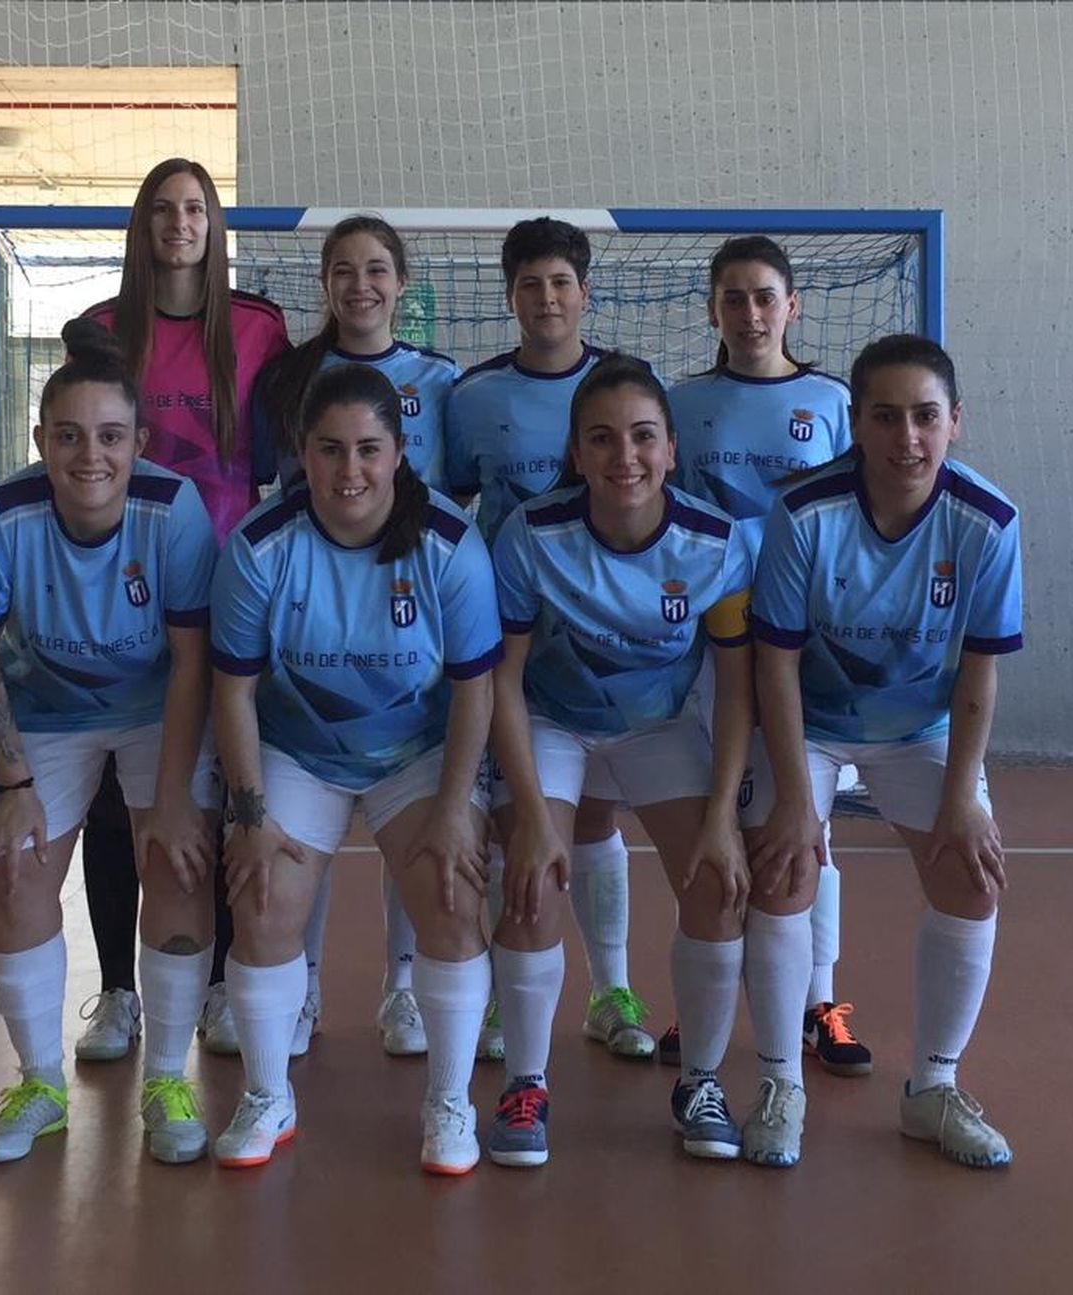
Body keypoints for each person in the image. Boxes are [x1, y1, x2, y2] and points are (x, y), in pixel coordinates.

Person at [209, 363, 502, 1175]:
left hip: (415, 751)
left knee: (452, 887)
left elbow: (476, 687)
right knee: (261, 893)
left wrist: (452, 810)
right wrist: (251, 815)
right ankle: (269, 1094)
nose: (350, 471)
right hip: (298, 750)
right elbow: (231, 691)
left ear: (400, 452)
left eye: (369, 449)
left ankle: (449, 1101)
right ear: (301, 453)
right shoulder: (261, 546)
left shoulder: (448, 544)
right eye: (330, 449)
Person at [0, 319, 222, 1164]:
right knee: (14, 864)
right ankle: (39, 1083)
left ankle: (167, 1078)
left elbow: (191, 662)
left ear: (139, 441)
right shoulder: (4, 517)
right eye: (68, 436)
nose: (89, 455)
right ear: (41, 440)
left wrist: (172, 801)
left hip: (157, 706)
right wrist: (13, 782)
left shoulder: (174, 512)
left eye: (110, 436)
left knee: (178, 862)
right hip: (48, 716)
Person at [747, 333, 1022, 1168]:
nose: (908, 437)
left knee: (971, 878)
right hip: (811, 723)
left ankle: (932, 1087)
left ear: (955, 424)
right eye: (887, 416)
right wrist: (798, 797)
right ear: (856, 426)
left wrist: (963, 796)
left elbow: (978, 675)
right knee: (784, 869)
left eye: (926, 417)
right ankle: (779, 1082)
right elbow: (776, 666)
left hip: (921, 729)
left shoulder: (989, 521)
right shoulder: (801, 514)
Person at [485, 354, 756, 1167]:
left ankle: (701, 1080)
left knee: (716, 884)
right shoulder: (529, 535)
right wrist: (531, 817)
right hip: (551, 721)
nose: (624, 457)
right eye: (601, 439)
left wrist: (720, 818)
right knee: (530, 884)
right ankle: (525, 1083)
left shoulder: (716, 543)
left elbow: (737, 685)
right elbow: (500, 677)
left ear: (673, 448)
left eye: (643, 437)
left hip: (659, 727)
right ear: (575, 453)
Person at [74, 158, 290, 1065]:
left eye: (194, 207)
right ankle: (119, 992)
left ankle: (221, 988)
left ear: (213, 225)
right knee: (116, 802)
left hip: (228, 591)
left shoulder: (257, 328)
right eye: (162, 208)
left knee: (228, 792)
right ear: (142, 223)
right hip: (122, 596)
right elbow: (81, 453)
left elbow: (273, 470)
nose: (179, 222)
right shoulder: (98, 329)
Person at [253, 216, 464, 1058]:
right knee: (308, 812)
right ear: (325, 284)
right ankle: (298, 991)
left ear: (401, 283)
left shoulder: (441, 379)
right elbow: (277, 490)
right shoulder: (293, 376)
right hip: (314, 604)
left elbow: (460, 492)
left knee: (406, 808)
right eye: (343, 270)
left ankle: (403, 988)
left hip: (413, 599)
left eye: (377, 269)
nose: (361, 284)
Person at [446, 217, 653, 1062]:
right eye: (530, 285)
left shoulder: (625, 386)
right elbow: (462, 501)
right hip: (511, 630)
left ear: (586, 292)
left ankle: (612, 988)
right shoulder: (474, 396)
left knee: (597, 815)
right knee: (508, 819)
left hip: (606, 636)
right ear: (510, 298)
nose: (546, 299)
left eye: (561, 283)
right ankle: (501, 999)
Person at [666, 234, 870, 1077]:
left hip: (802, 646)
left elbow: (856, 520)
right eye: (732, 298)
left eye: (764, 297)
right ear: (712, 311)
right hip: (711, 646)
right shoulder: (681, 403)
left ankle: (820, 998)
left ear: (792, 307)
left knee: (803, 824)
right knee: (723, 821)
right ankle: (707, 1002)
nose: (750, 313)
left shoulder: (832, 400)